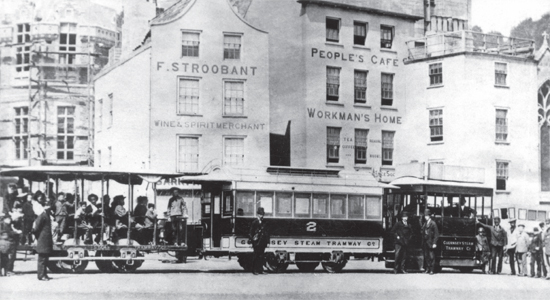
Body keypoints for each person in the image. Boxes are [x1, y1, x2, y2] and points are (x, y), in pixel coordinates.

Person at [32, 199, 53, 281]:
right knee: (42, 259)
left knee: (45, 258)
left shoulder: (47, 215)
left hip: (46, 240)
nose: (48, 207)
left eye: (49, 205)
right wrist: (38, 237)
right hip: (43, 240)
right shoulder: (42, 216)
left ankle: (44, 274)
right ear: (44, 207)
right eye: (47, 205)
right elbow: (36, 229)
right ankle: (41, 275)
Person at [250, 207, 269, 275]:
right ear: (258, 214)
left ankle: (260, 270)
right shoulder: (254, 222)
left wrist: (268, 242)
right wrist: (253, 241)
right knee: (256, 256)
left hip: (262, 242)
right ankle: (254, 270)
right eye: (260, 214)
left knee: (261, 256)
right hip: (256, 242)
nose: (261, 216)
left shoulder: (264, 222)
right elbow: (251, 232)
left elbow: (267, 233)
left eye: (262, 214)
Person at [421, 209, 439, 275]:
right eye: (425, 216)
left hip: (430, 243)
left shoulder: (433, 223)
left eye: (426, 216)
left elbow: (436, 234)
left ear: (429, 216)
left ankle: (432, 270)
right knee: (426, 256)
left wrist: (434, 243)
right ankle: (428, 268)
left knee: (432, 256)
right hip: (425, 242)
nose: (425, 217)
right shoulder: (425, 223)